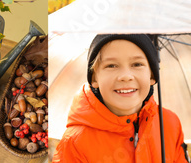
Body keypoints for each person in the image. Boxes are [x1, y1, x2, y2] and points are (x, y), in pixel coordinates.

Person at [53, 34, 187, 162]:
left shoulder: (169, 123)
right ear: (94, 78)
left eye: (137, 64)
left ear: (152, 75)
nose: (126, 76)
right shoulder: (75, 143)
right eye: (111, 65)